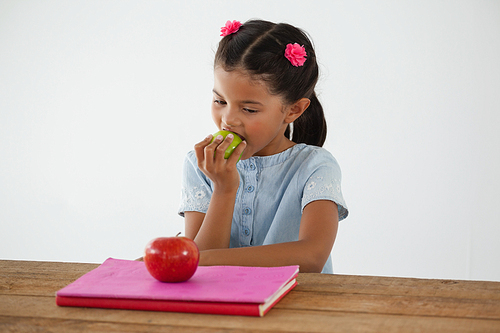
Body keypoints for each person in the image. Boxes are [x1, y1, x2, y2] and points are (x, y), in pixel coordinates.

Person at [178, 19, 348, 273]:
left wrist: (198, 258)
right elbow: (197, 270)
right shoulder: (200, 164)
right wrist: (224, 189)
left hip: (302, 308)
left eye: (249, 109)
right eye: (219, 101)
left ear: (293, 110)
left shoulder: (315, 166)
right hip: (223, 308)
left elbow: (312, 256)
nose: (228, 120)